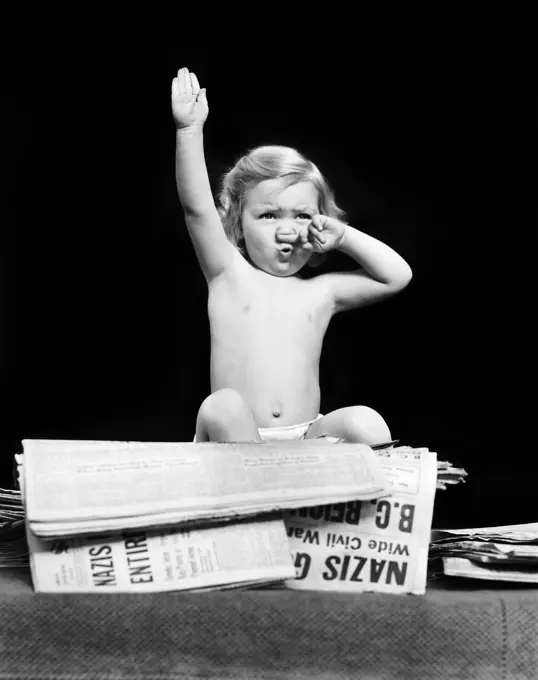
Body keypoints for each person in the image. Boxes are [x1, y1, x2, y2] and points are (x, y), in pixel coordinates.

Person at [171, 67, 413, 446]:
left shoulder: (322, 292)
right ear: (237, 225)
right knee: (223, 406)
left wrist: (344, 236)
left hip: (303, 439)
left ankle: (353, 496)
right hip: (237, 440)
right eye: (268, 215)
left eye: (302, 215)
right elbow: (197, 209)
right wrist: (188, 131)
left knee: (366, 422)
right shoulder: (228, 274)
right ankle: (256, 495)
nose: (287, 229)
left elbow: (396, 277)